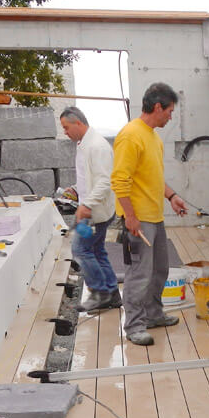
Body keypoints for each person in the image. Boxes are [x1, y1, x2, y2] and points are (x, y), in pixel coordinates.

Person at [111, 82, 190, 346]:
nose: (171, 116)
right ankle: (134, 325)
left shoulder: (153, 137)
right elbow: (119, 181)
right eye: (169, 111)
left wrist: (172, 196)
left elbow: (153, 178)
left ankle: (154, 314)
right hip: (139, 219)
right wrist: (130, 217)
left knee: (159, 270)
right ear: (157, 107)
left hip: (155, 217)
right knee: (139, 274)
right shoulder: (131, 135)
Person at [59, 106, 121, 312]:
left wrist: (86, 205)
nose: (65, 132)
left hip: (95, 211)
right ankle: (112, 293)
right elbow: (90, 177)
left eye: (66, 127)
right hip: (92, 207)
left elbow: (105, 182)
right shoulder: (84, 144)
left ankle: (99, 292)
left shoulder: (97, 146)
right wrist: (76, 190)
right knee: (97, 251)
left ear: (78, 123)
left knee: (80, 250)